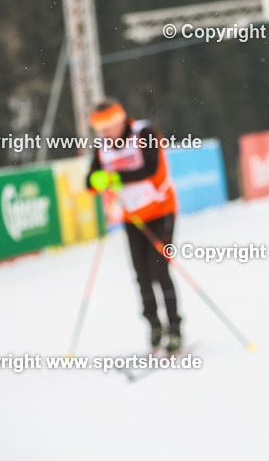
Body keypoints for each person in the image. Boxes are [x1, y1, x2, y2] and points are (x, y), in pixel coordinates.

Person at [86, 99, 182, 353]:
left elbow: (150, 168)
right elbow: (90, 182)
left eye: (109, 124)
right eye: (99, 126)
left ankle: (175, 328)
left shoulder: (144, 133)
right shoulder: (102, 147)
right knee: (141, 275)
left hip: (161, 211)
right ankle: (154, 325)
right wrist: (96, 180)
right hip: (132, 217)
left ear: (121, 119)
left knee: (160, 271)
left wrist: (115, 177)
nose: (105, 131)